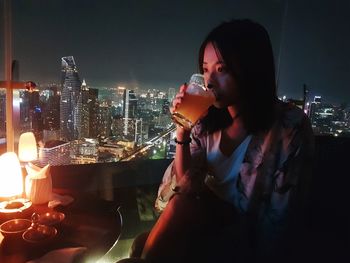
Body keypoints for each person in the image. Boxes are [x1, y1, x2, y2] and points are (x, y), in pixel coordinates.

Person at [119, 18, 314, 263]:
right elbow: (184, 184)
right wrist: (183, 132)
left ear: (250, 69)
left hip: (241, 243)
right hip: (197, 221)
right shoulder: (206, 119)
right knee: (146, 240)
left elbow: (282, 218)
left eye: (222, 69)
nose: (209, 80)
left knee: (155, 236)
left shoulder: (288, 127)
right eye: (205, 68)